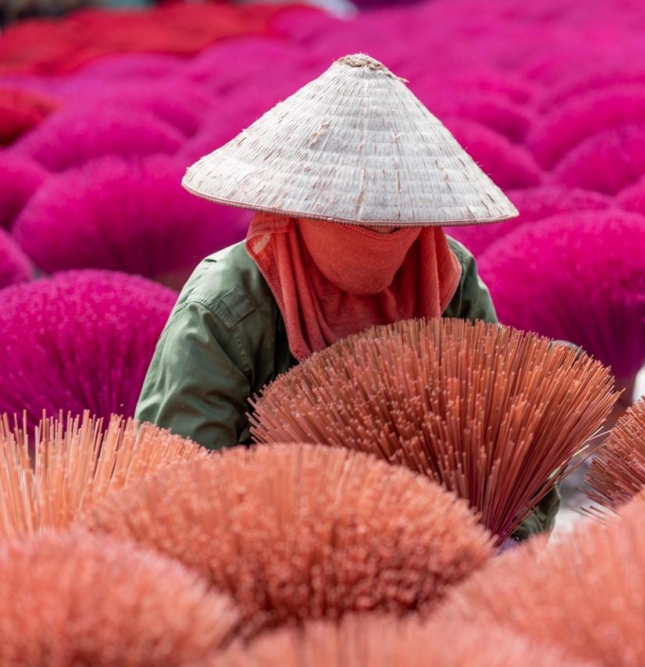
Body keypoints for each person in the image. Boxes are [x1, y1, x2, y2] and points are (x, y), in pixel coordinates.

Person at [135, 53, 559, 543]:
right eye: (352, 217)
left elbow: (513, 439)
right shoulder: (225, 305)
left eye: (393, 218)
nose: (376, 234)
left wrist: (501, 543)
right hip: (273, 551)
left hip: (434, 547)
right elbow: (178, 480)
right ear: (300, 203)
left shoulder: (447, 277)